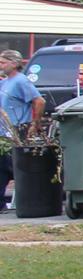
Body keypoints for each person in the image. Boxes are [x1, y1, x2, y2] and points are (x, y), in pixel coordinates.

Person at [1, 49, 49, 211]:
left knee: (15, 167)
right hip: (4, 132)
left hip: (17, 130)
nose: (0, 65)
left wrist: (34, 124)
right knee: (2, 168)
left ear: (14, 64)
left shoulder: (21, 81)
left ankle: (30, 201)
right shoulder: (5, 81)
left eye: (3, 62)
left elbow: (39, 101)